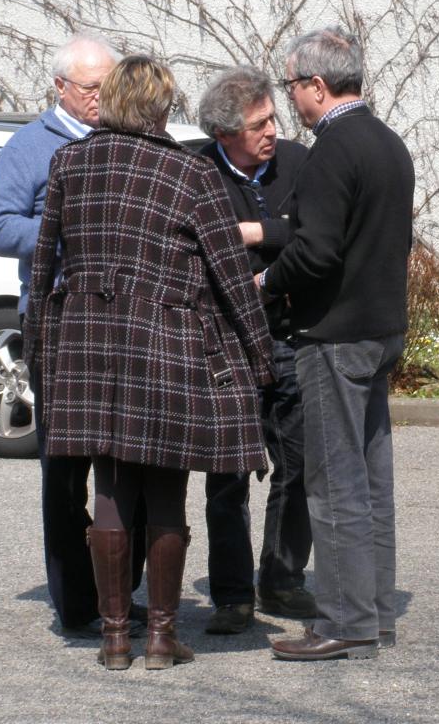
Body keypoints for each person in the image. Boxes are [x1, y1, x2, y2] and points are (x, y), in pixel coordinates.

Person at [23, 55, 272, 670]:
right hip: (165, 341)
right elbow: (231, 275)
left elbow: (43, 262)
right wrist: (260, 355)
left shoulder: (70, 162)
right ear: (161, 108)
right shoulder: (189, 174)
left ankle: (113, 640)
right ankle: (160, 637)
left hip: (87, 343)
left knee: (108, 488)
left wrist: (37, 344)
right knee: (164, 489)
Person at [0, 32, 147, 634]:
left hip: (123, 322)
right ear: (59, 88)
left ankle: (120, 592)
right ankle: (75, 601)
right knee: (64, 466)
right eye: (90, 88)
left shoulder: (122, 139)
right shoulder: (31, 146)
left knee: (131, 458)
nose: (102, 98)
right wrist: (65, 234)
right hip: (56, 320)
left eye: (109, 86)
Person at [260, 26, 414, 661]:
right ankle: (372, 613)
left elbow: (316, 252)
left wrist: (265, 278)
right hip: (383, 330)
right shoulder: (388, 142)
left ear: (318, 86)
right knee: (372, 479)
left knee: (333, 483)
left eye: (293, 87)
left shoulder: (331, 150)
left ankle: (343, 622)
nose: (292, 100)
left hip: (335, 335)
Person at [196, 67, 315, 634]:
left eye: (274, 117)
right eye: (259, 124)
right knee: (228, 474)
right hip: (225, 344)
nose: (273, 130)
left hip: (290, 333)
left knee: (299, 463)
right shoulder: (194, 171)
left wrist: (252, 232)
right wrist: (277, 228)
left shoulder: (300, 163)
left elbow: (316, 234)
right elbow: (191, 242)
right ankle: (233, 595)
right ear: (224, 134)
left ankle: (283, 578)